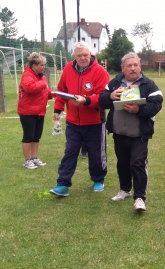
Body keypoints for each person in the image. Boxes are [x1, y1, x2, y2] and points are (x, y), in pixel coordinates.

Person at [99, 52, 163, 211]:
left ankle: (140, 197)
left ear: (140, 67)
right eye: (129, 66)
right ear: (123, 68)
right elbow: (102, 99)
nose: (133, 68)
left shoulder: (149, 84)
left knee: (138, 163)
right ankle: (125, 190)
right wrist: (111, 96)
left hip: (139, 135)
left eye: (136, 65)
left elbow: (156, 105)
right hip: (119, 133)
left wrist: (138, 110)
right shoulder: (115, 82)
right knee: (122, 164)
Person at [49, 41, 110, 197]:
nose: (83, 58)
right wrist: (58, 108)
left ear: (90, 54)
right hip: (73, 122)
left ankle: (98, 179)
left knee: (96, 154)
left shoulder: (100, 72)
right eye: (79, 55)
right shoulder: (68, 68)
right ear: (74, 56)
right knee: (70, 152)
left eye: (85, 55)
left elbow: (103, 97)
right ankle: (62, 184)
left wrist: (86, 101)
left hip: (95, 121)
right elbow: (61, 90)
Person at [18, 52, 52, 169]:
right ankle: (27, 160)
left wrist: (52, 94)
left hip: (39, 111)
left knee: (37, 136)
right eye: (41, 65)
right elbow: (30, 88)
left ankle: (34, 157)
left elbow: (45, 92)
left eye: (44, 65)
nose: (44, 67)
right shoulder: (27, 75)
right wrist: (43, 83)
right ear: (34, 65)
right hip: (27, 112)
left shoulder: (41, 77)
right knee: (28, 136)